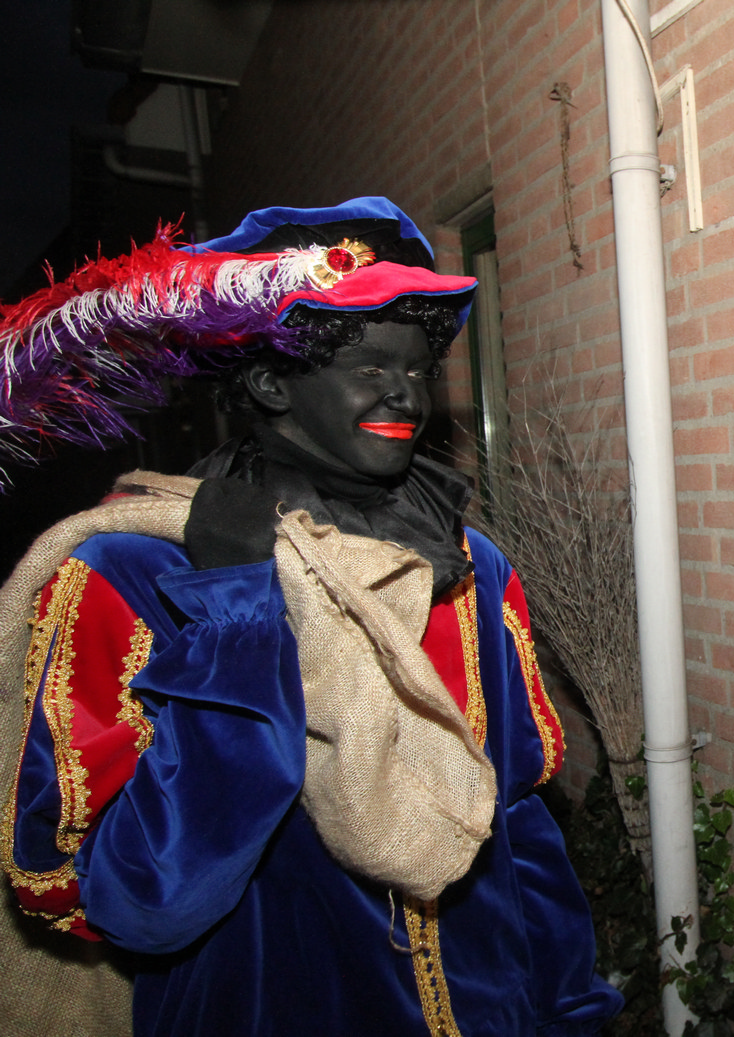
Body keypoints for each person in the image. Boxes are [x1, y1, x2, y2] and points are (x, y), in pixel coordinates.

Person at [0, 198, 623, 1036]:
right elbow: (147, 903)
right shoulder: (135, 574)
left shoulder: (471, 563)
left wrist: (569, 1009)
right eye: (369, 364)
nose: (404, 391)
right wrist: (232, 617)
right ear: (269, 383)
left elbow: (518, 821)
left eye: (417, 368)